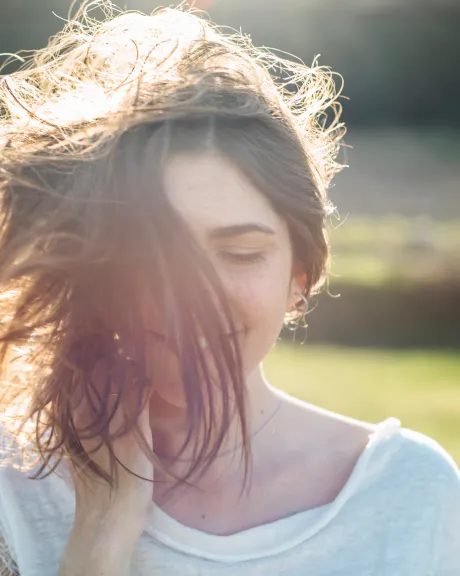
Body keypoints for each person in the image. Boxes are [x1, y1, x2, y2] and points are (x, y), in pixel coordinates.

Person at [0, 1, 458, 575]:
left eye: (239, 253)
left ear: (301, 276)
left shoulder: (411, 493)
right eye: (150, 253)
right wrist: (102, 533)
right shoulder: (12, 490)